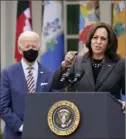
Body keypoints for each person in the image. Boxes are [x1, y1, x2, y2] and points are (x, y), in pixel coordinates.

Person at [52, 22, 125, 110]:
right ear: (90, 40)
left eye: (103, 39)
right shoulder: (78, 61)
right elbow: (56, 84)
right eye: (95, 38)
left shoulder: (120, 63)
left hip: (109, 115)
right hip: (83, 115)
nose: (98, 42)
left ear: (109, 42)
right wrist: (65, 65)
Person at [0, 31, 54, 139]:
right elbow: (2, 106)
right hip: (15, 135)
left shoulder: (50, 74)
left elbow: (57, 103)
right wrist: (21, 127)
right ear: (20, 49)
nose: (31, 49)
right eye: (27, 46)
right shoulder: (8, 73)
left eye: (34, 46)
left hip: (44, 133)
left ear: (39, 47)